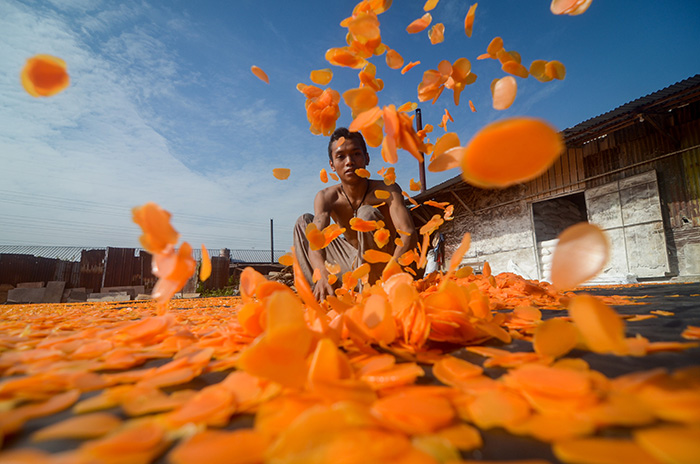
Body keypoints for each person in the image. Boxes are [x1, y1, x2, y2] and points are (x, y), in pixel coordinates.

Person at [294, 127, 418, 301]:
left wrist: (392, 270)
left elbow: (408, 234)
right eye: (340, 156)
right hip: (350, 260)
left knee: (366, 213)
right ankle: (321, 293)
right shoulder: (326, 197)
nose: (349, 161)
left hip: (384, 262)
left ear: (366, 158)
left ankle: (370, 293)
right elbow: (316, 244)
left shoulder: (388, 189)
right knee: (304, 223)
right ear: (332, 165)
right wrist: (322, 273)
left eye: (356, 154)